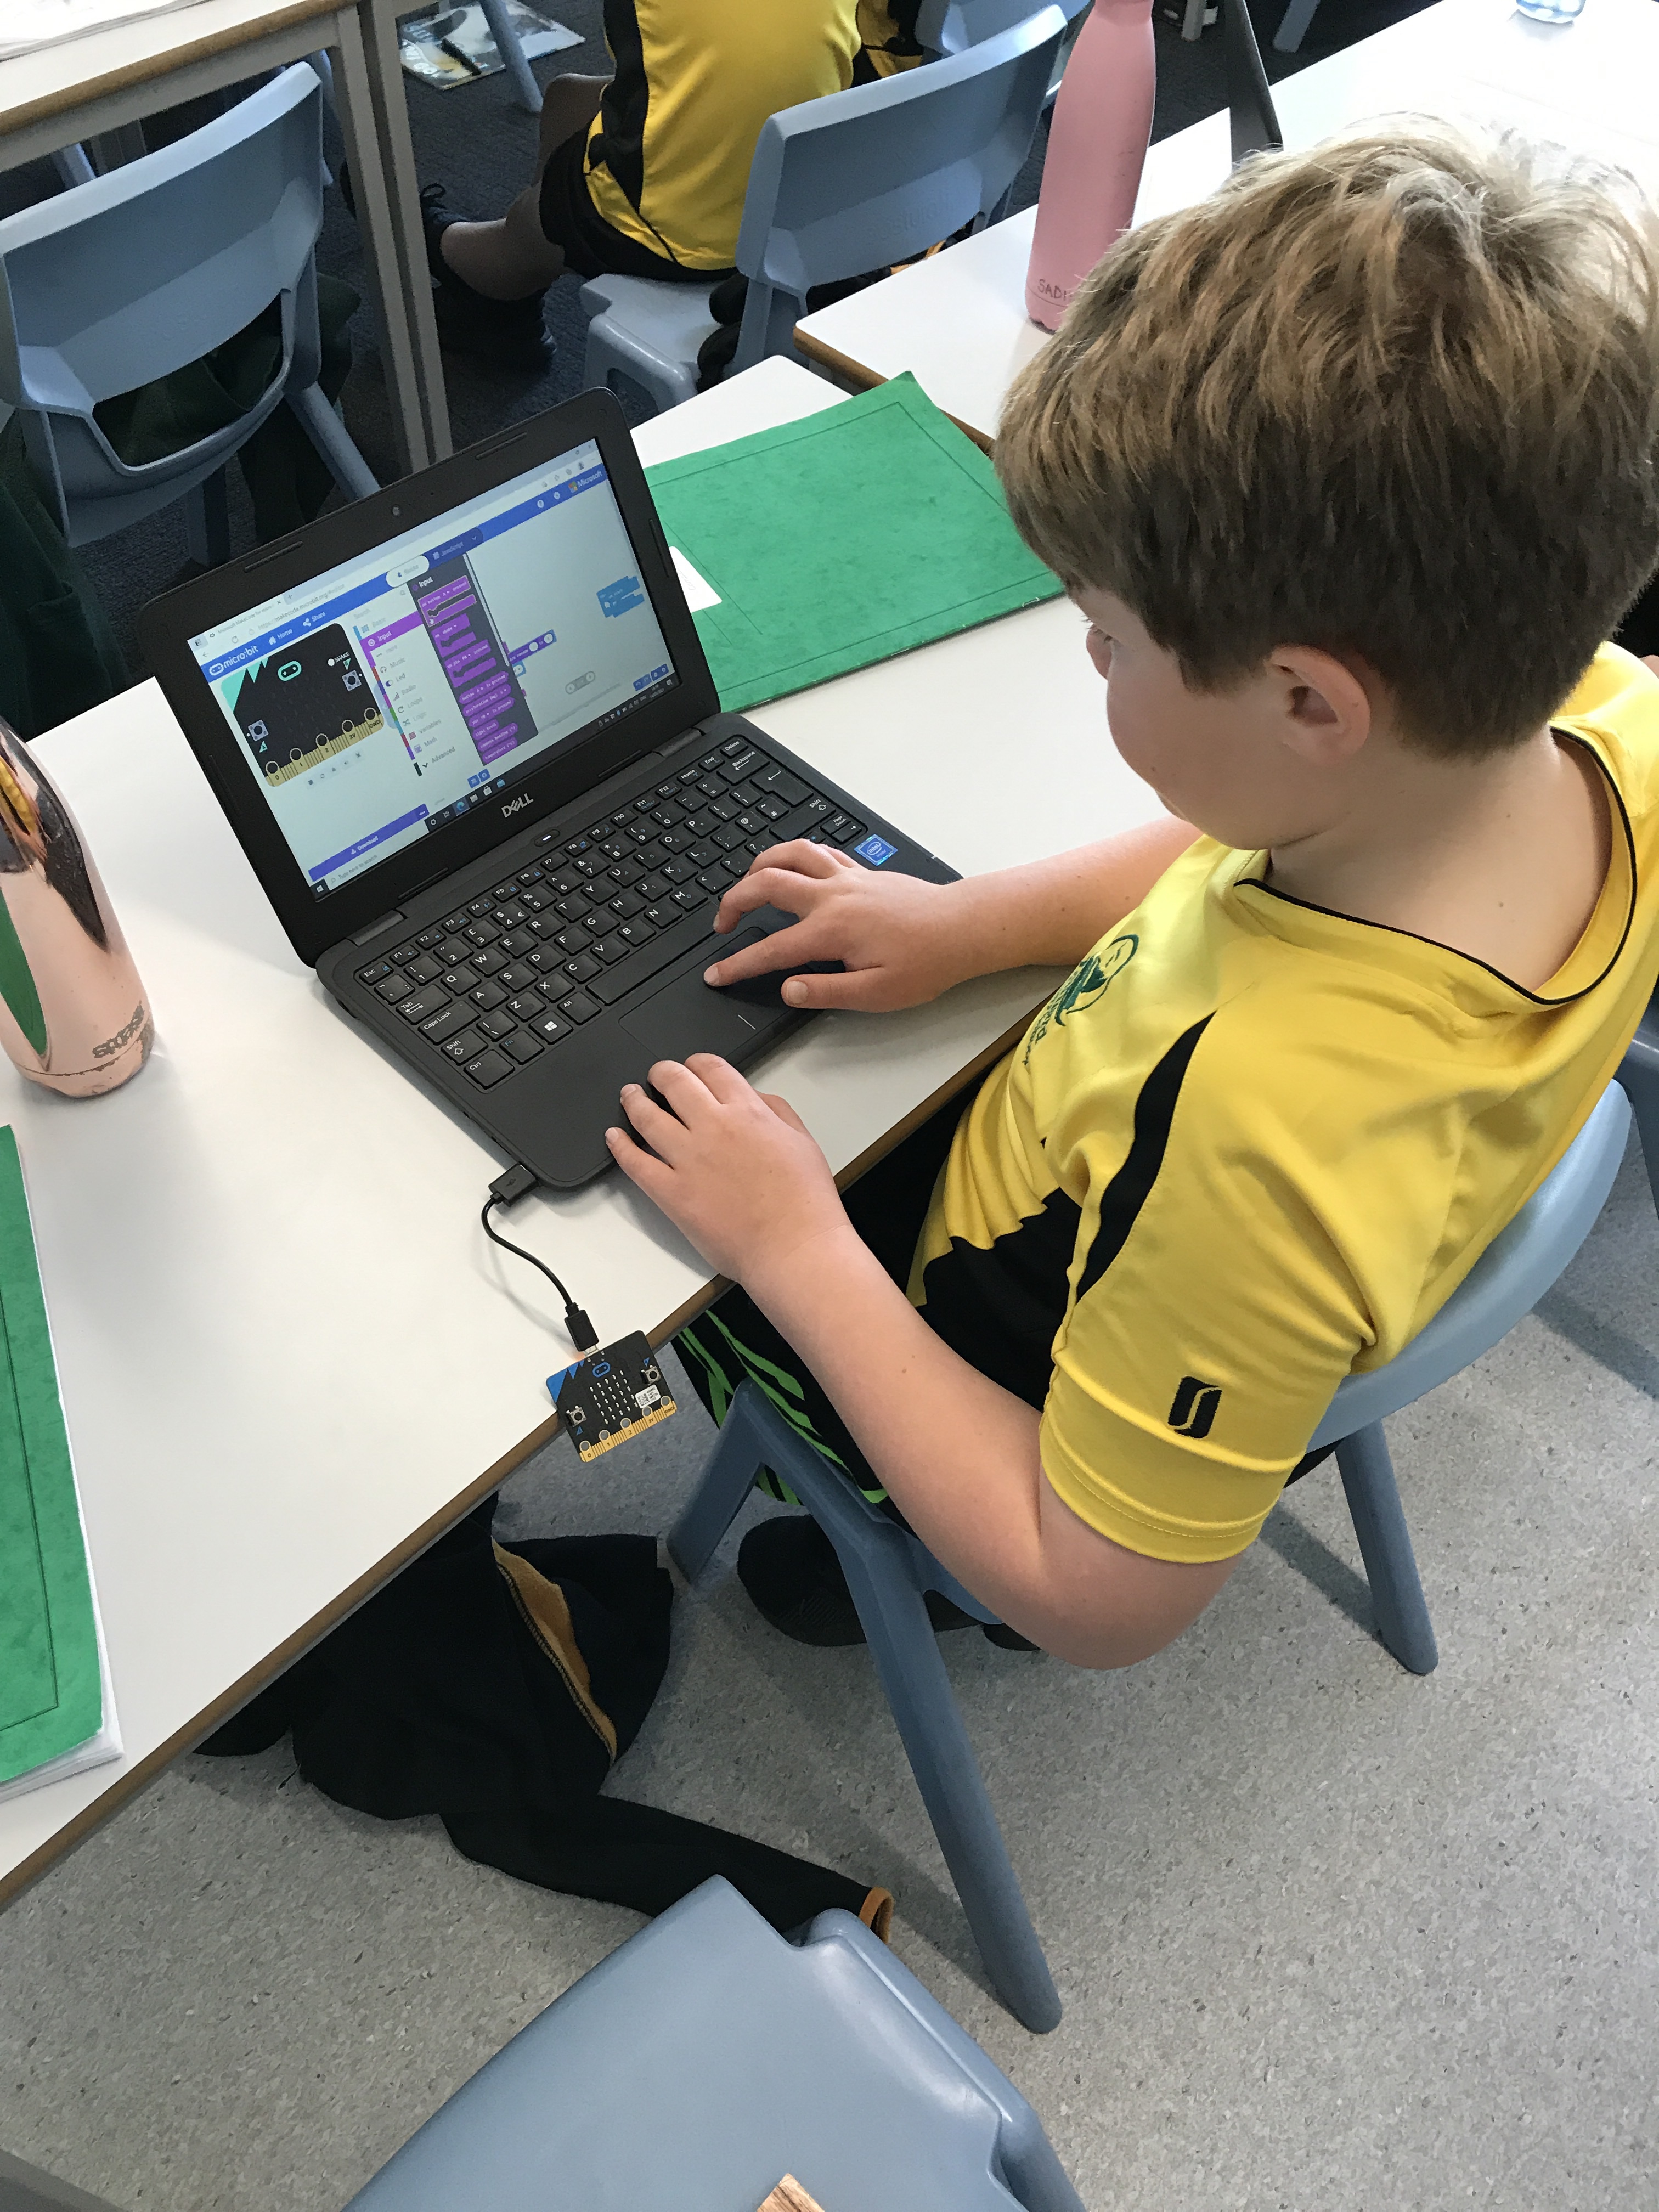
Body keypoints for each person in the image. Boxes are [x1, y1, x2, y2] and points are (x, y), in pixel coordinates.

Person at [602, 129, 1659, 1662]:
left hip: (1005, 1364)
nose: (1090, 658)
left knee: (616, 1282)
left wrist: (790, 1247)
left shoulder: (1256, 1147)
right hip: (1112, 1204)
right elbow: (1245, 850)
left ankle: (874, 1545)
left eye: (1106, 638)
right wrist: (967, 925)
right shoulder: (1598, 718)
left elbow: (1095, 1596)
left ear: (1310, 702)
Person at [422, 1, 863, 371]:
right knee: (567, 98)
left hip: (682, 236)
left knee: (519, 233)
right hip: (816, 210)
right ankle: (535, 265)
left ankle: (473, 260)